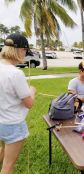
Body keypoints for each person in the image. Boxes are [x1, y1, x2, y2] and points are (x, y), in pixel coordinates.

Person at [0, 34, 36, 174]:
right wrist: (32, 90)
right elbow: (29, 104)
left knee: (3, 149)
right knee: (8, 166)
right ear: (20, 50)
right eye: (25, 51)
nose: (25, 54)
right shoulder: (16, 74)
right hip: (12, 125)